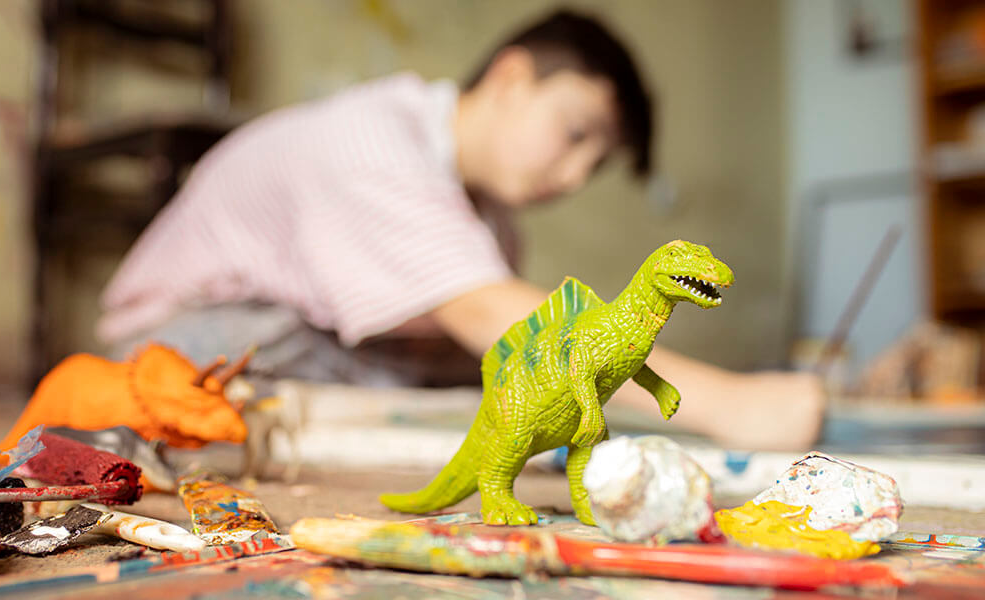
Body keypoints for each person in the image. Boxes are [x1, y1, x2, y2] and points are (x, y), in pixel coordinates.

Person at [96, 9, 824, 451]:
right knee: (487, 366)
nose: (572, 177)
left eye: (595, 164)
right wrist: (726, 404)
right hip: (173, 343)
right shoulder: (377, 143)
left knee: (499, 381)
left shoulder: (490, 222)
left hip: (295, 336)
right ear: (511, 78)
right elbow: (486, 312)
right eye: (574, 134)